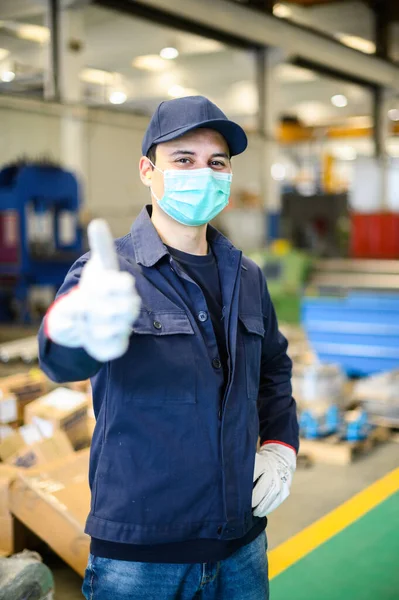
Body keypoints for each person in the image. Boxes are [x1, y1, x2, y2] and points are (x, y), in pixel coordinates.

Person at [38, 95, 299, 600]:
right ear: (147, 170)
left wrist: (280, 445)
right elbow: (61, 359)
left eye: (216, 162)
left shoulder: (247, 276)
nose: (203, 173)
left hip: (240, 546)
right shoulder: (107, 272)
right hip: (141, 559)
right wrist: (73, 325)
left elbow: (273, 369)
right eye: (183, 159)